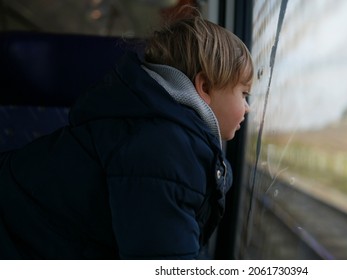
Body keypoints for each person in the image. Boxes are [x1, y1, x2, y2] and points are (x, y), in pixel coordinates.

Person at [0, 9, 254, 259]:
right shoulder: (164, 151)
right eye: (243, 94)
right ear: (205, 87)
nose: (247, 107)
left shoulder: (164, 134)